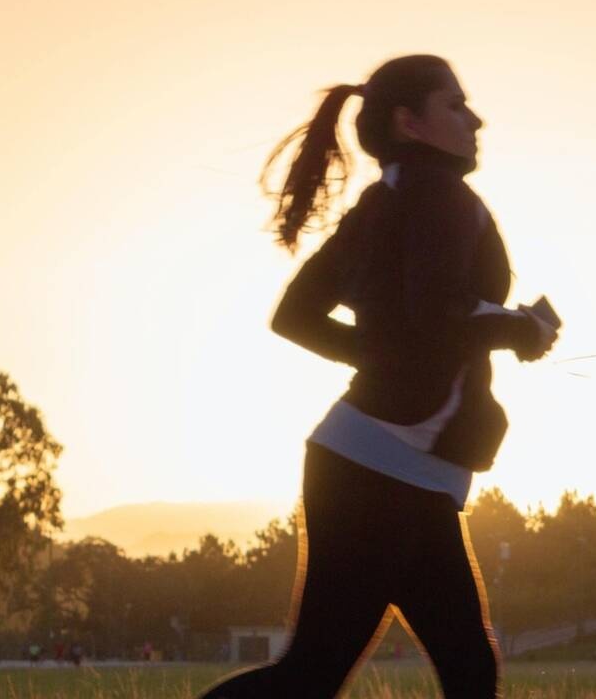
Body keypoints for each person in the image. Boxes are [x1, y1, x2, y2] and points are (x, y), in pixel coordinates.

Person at [199, 55, 557, 699]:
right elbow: (436, 313)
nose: (475, 119)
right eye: (455, 105)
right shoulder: (439, 196)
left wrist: (390, 356)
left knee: (458, 667)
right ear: (409, 122)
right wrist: (519, 330)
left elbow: (297, 316)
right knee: (323, 675)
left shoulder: (383, 201)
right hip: (382, 473)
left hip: (385, 469)